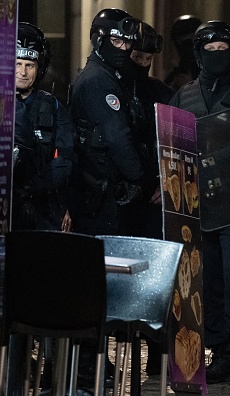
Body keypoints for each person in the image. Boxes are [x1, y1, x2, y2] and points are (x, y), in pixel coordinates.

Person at [169, 20, 230, 389]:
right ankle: (221, 351)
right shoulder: (185, 96)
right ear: (198, 55)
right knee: (207, 283)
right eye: (208, 51)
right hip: (198, 206)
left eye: (222, 50)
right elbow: (171, 146)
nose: (215, 56)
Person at [124, 21, 176, 375]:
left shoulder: (162, 93)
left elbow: (176, 145)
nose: (141, 62)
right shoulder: (110, 88)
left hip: (155, 198)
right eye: (136, 55)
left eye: (147, 57)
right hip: (127, 196)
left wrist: (165, 180)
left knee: (158, 276)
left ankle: (158, 353)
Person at [68, 8, 145, 236]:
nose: (123, 48)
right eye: (116, 41)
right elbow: (116, 136)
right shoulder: (98, 81)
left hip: (104, 192)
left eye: (126, 43)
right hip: (99, 195)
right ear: (99, 40)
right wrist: (141, 178)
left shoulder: (110, 75)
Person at [13, 22, 73, 232]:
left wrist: (33, 187)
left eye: (29, 65)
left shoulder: (52, 106)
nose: (22, 71)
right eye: (17, 63)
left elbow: (65, 159)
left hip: (44, 204)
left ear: (40, 68)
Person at [164, 14, 202, 90]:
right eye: (184, 45)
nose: (188, 49)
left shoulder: (208, 72)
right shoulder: (175, 75)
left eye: (190, 44)